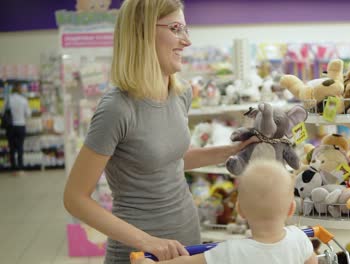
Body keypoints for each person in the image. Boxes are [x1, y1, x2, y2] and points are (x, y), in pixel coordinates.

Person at [63, 0, 258, 263]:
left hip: (188, 243)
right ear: (142, 32)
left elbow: (170, 159)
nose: (186, 41)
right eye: (176, 28)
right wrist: (148, 242)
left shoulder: (180, 93)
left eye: (185, 29)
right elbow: (75, 198)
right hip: (140, 254)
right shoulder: (117, 108)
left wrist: (234, 149)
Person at [133, 159, 318, 264]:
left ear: (239, 210)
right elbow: (312, 262)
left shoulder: (229, 252)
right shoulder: (299, 239)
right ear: (291, 208)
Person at [5, 82, 31, 176]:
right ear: (20, 89)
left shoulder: (9, 99)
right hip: (21, 126)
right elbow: (28, 114)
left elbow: (4, 112)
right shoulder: (23, 100)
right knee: (20, 147)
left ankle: (13, 169)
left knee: (12, 148)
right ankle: (20, 168)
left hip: (11, 127)